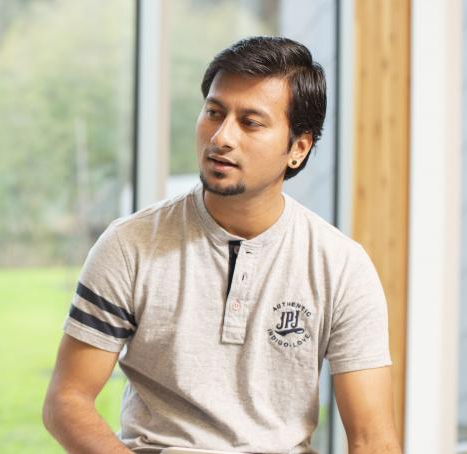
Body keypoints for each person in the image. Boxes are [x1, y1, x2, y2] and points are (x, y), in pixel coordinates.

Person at [42, 36, 401, 454]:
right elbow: (67, 401)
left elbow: (373, 438)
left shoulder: (342, 266)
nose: (222, 137)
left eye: (251, 122)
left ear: (298, 148)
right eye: (214, 112)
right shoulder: (130, 244)